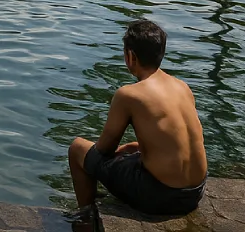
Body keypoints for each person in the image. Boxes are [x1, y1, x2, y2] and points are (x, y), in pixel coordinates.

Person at [67, 20, 207, 225]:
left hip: (161, 197)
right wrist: (132, 150)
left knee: (77, 149)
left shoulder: (129, 95)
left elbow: (104, 149)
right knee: (132, 148)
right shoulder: (182, 87)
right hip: (194, 194)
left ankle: (86, 219)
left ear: (130, 56)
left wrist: (114, 156)